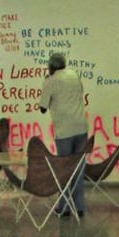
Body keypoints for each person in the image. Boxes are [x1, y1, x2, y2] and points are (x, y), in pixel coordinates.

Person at [38, 53, 88, 217]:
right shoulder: (74, 75)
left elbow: (43, 107)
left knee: (64, 169)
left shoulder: (50, 81)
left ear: (51, 66)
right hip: (81, 128)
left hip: (64, 131)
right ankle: (79, 206)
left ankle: (65, 207)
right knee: (79, 168)